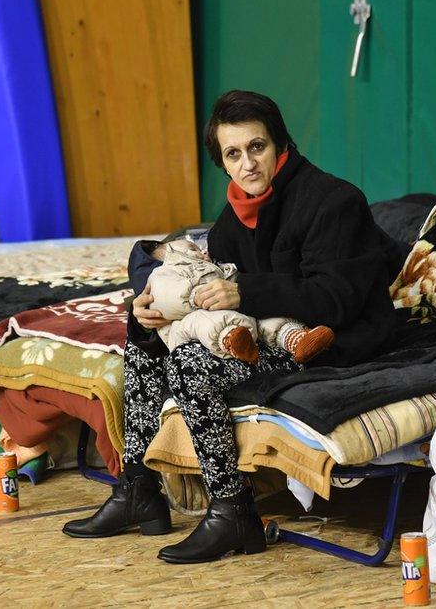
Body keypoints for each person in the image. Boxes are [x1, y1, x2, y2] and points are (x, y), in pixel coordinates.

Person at [62, 90, 399, 564]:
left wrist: (247, 291)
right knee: (144, 347)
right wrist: (150, 315)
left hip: (331, 341)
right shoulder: (231, 221)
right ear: (222, 162)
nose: (248, 165)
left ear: (281, 145)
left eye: (257, 147)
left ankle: (232, 509)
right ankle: (138, 488)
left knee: (193, 364)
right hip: (260, 331)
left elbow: (336, 301)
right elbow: (209, 291)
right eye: (233, 154)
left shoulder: (333, 201)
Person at [147, 238, 335, 364]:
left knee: (262, 311)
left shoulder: (215, 266)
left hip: (230, 306)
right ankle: (233, 340)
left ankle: (296, 338)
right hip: (190, 323)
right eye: (193, 249)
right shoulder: (162, 273)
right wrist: (194, 296)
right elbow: (164, 296)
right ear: (172, 255)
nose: (203, 251)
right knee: (205, 320)